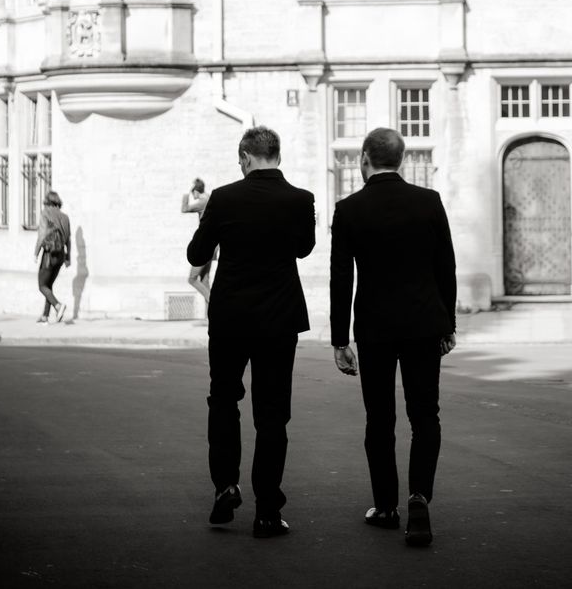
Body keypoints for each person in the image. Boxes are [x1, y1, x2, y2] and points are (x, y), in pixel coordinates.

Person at [329, 127, 457, 548]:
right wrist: (448, 324)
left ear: (365, 158)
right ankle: (419, 497)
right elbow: (445, 269)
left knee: (379, 418)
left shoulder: (349, 209)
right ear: (401, 159)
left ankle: (385, 506)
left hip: (375, 327)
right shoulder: (429, 202)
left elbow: (341, 279)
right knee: (425, 416)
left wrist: (339, 338)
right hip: (423, 324)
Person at [187, 126, 315, 539]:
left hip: (230, 317)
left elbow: (196, 254)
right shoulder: (300, 199)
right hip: (279, 318)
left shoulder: (224, 198)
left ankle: (226, 485)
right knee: (272, 414)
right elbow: (304, 248)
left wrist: (211, 221)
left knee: (223, 399)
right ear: (276, 154)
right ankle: (266, 511)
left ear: (245, 156)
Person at [33, 190, 71, 324]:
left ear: (48, 202)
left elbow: (42, 235)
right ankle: (45, 316)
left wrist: (36, 252)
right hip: (61, 255)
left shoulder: (46, 214)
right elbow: (68, 240)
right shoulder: (65, 217)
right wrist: (68, 257)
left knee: (42, 285)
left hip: (49, 254)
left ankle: (58, 306)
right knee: (49, 284)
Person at [181, 177, 214, 304]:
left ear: (195, 191)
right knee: (205, 280)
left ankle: (215, 303)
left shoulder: (203, 201)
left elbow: (184, 209)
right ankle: (210, 317)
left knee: (192, 278)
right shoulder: (209, 197)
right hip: (211, 244)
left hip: (205, 244)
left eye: (191, 192)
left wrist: (185, 192)